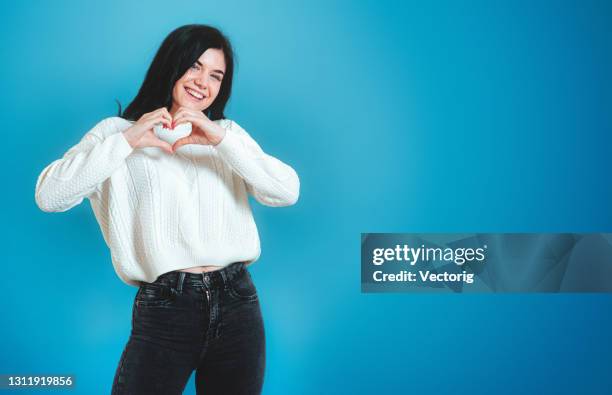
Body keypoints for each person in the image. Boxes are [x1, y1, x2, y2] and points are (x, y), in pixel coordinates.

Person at [34, 24, 300, 394]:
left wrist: (222, 141)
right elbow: (50, 195)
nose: (202, 82)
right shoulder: (116, 133)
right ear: (171, 64)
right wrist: (127, 141)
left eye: (215, 75)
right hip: (167, 305)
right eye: (194, 66)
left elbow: (286, 191)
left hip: (237, 300)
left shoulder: (226, 135)